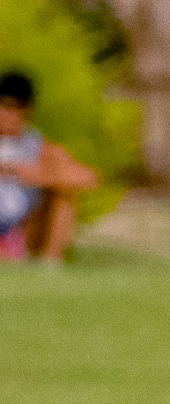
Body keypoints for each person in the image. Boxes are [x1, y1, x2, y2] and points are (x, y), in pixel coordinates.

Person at [0, 71, 99, 262]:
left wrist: (30, 173)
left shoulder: (35, 144)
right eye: (3, 106)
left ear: (27, 110)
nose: (7, 114)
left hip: (24, 227)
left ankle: (51, 262)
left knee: (64, 194)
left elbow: (87, 178)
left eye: (15, 107)